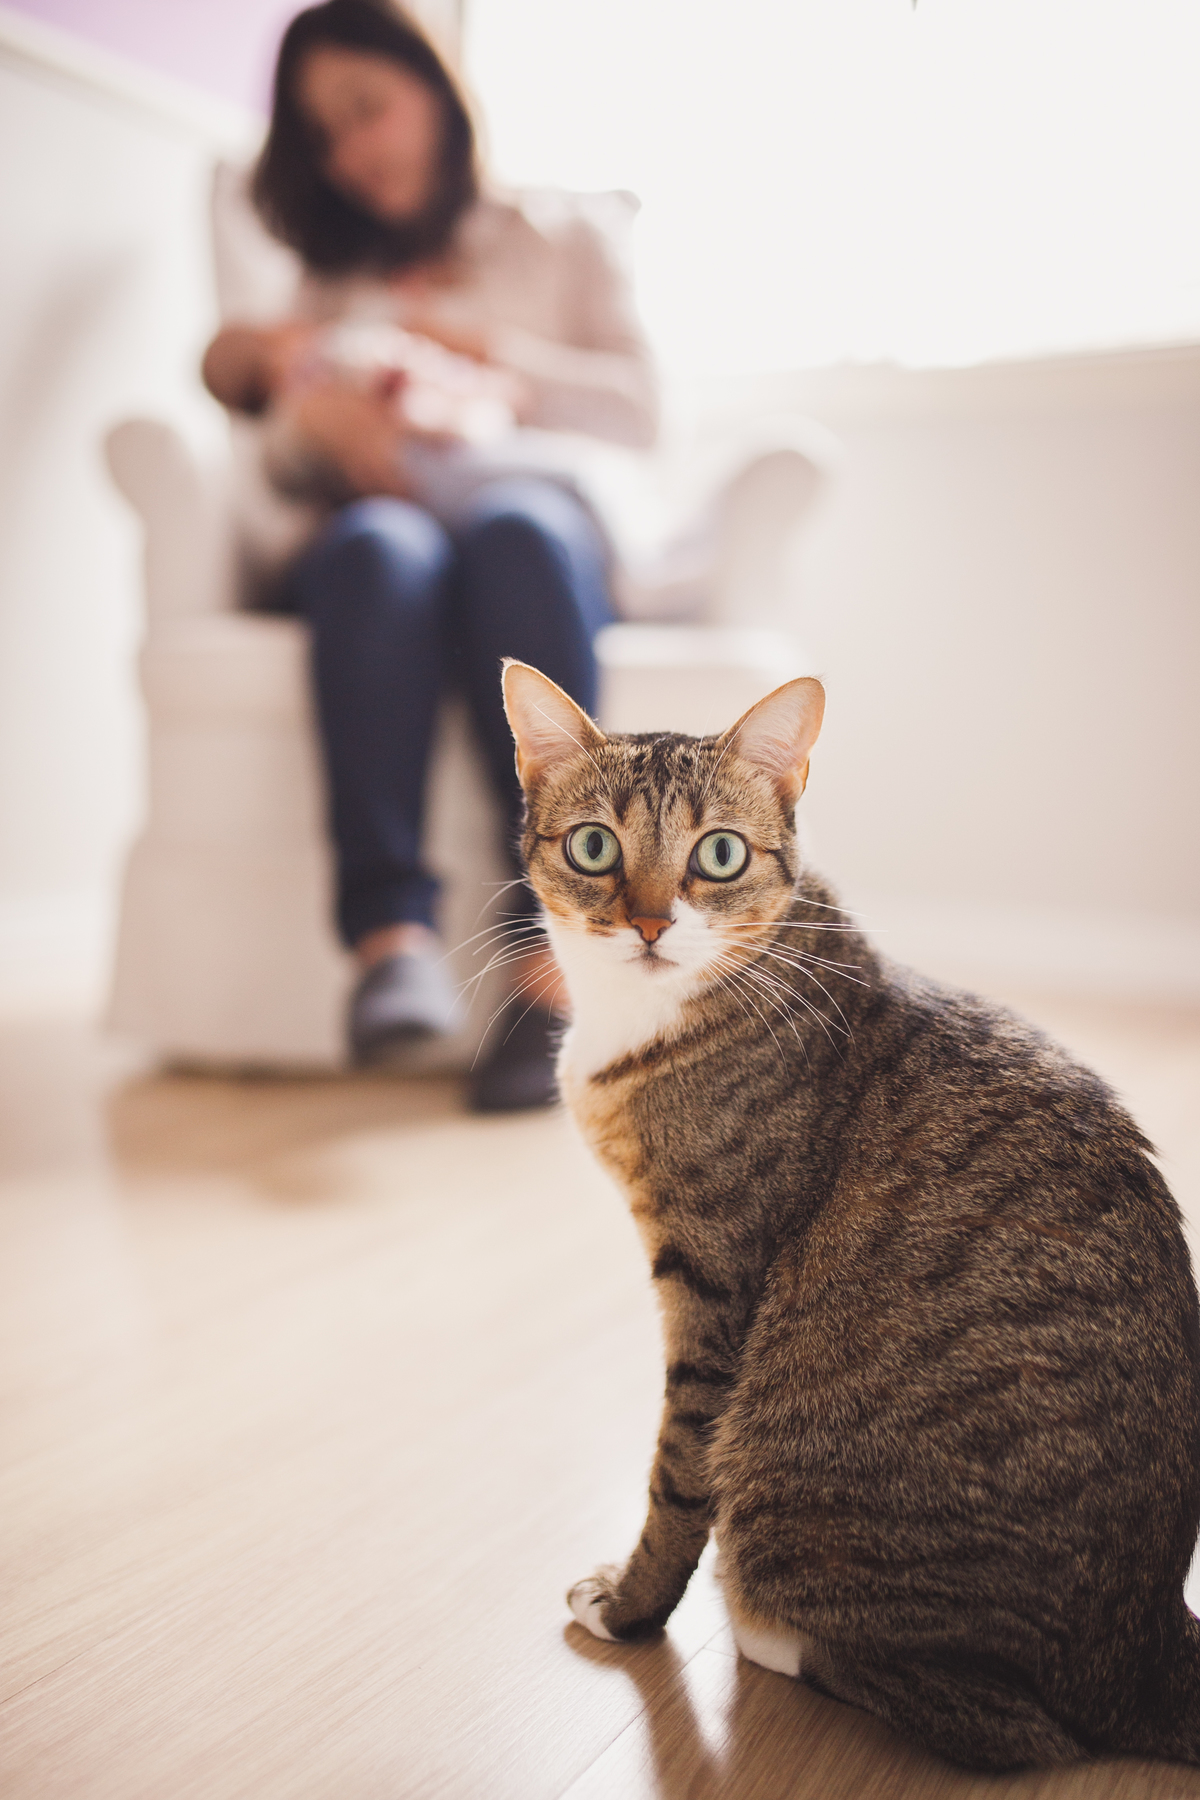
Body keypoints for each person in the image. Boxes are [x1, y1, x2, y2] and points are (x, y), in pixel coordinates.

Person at [202, 0, 657, 1110]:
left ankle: (551, 967)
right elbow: (260, 408)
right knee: (371, 549)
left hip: (528, 520)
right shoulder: (330, 278)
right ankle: (389, 945)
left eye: (367, 109)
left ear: (435, 91)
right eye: (324, 134)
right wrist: (315, 429)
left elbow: (640, 415)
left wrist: (490, 356)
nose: (352, 149)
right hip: (389, 528)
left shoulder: (565, 237)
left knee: (516, 534)